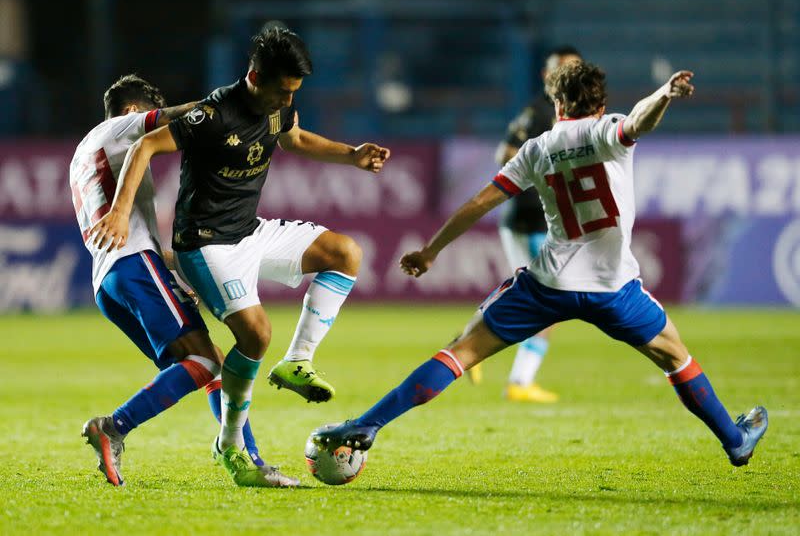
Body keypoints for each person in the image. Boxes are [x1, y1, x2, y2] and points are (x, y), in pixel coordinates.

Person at [313, 63, 768, 468]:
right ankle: (734, 440)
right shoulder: (606, 130)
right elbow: (637, 124)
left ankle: (369, 425)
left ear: (556, 103)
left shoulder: (537, 148)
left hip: (548, 283)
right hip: (615, 288)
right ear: (601, 103)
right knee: (676, 357)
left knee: (461, 351)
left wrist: (432, 250)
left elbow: (480, 202)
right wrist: (664, 95)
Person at [88, 28, 390, 483]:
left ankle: (298, 361)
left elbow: (296, 139)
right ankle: (231, 445)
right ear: (254, 77)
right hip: (207, 244)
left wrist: (352, 156)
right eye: (281, 91)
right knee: (253, 336)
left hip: (250, 232)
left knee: (344, 252)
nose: (285, 101)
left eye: (293, 92)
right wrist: (120, 212)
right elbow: (146, 144)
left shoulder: (278, 107)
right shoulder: (214, 113)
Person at [73, 75, 294, 487]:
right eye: (149, 118)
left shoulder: (85, 154)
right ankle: (114, 426)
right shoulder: (120, 127)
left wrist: (181, 267)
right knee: (208, 361)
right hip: (133, 265)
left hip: (111, 277)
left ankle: (247, 460)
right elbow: (187, 115)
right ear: (132, 112)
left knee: (209, 365)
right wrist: (240, 104)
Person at [469, 45, 582, 403]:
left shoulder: (573, 114)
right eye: (561, 69)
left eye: (574, 69)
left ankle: (479, 345)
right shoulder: (539, 111)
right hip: (529, 219)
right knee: (548, 299)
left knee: (539, 297)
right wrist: (543, 169)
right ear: (546, 75)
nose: (567, 76)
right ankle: (510, 374)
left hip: (544, 222)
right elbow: (504, 153)